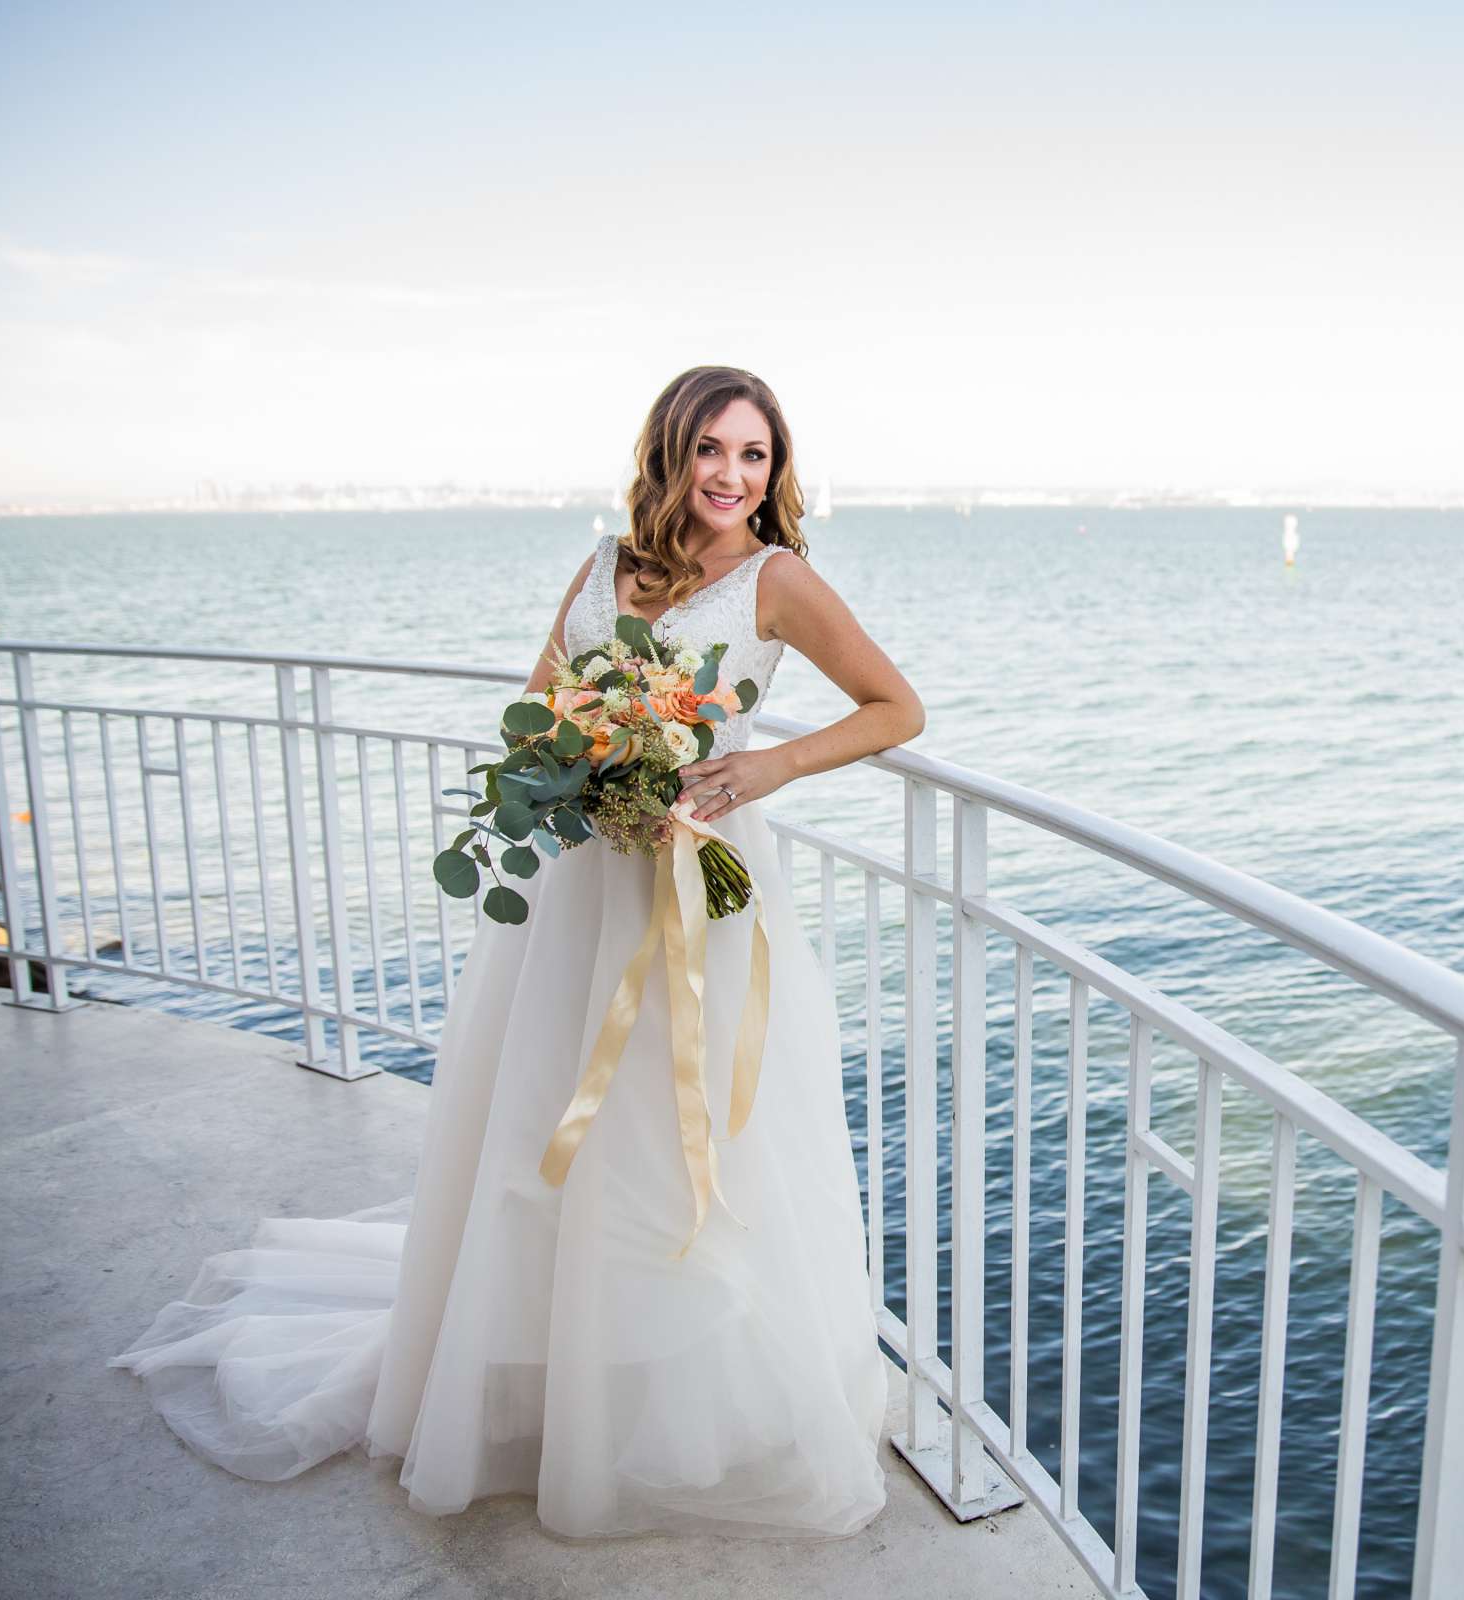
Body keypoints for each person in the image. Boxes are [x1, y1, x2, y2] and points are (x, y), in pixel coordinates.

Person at [108, 365, 925, 1541]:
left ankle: (678, 1400)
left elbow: (896, 707)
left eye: (755, 457)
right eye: (713, 451)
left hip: (700, 881)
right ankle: (552, 1383)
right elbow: (534, 702)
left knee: (674, 1127)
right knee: (552, 1110)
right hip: (585, 874)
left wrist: (761, 764)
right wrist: (583, 755)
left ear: (776, 472)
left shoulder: (778, 578)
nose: (731, 477)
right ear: (670, 452)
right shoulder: (606, 564)